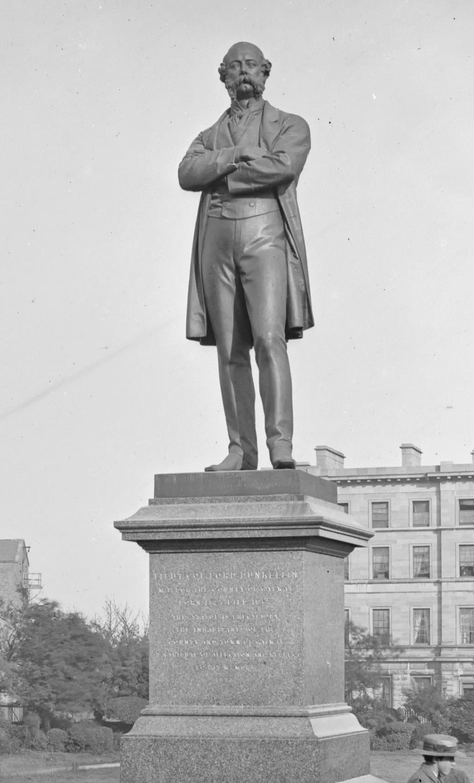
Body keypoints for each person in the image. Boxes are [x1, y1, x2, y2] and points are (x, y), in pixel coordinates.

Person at [179, 42, 313, 472]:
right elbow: (186, 173)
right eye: (235, 67)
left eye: (251, 66)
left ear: (265, 72)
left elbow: (282, 167)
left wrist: (223, 177)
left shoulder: (290, 124)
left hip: (264, 234)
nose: (243, 73)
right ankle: (241, 450)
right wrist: (235, 155)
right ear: (223, 76)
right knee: (229, 349)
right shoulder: (208, 136)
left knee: (269, 340)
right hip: (216, 240)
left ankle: (280, 443)